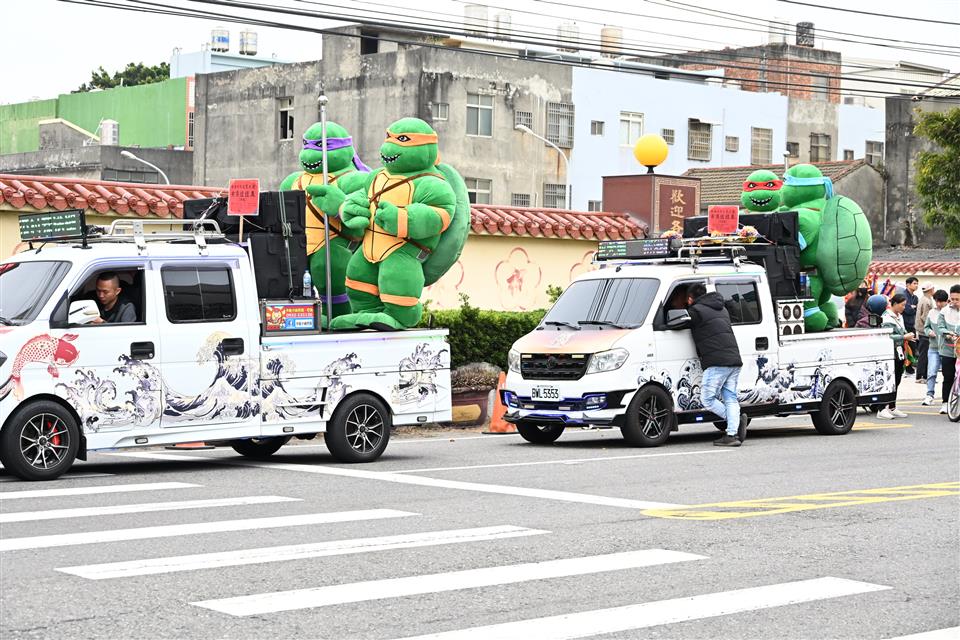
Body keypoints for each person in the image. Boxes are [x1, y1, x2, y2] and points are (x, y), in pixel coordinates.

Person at [686, 282, 747, 446]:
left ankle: (735, 424)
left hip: (716, 362)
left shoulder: (695, 311)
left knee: (707, 399)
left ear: (690, 299)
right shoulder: (722, 308)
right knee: (730, 397)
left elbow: (678, 323)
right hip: (734, 359)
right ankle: (732, 433)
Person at [877, 293, 914, 419]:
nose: (904, 307)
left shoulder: (899, 316)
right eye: (902, 305)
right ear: (894, 304)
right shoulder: (887, 318)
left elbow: (902, 331)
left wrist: (907, 336)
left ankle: (892, 406)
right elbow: (887, 336)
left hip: (899, 351)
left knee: (897, 379)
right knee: (888, 380)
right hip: (889, 352)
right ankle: (881, 409)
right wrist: (903, 337)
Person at [934, 285, 960, 415]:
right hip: (948, 350)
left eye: (957, 299)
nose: (954, 301)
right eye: (953, 298)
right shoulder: (944, 311)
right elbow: (940, 327)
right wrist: (948, 334)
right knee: (948, 376)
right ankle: (945, 403)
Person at [922, 289, 948, 405]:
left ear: (946, 301)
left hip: (948, 349)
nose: (938, 304)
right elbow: (926, 327)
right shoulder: (932, 312)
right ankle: (929, 395)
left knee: (948, 375)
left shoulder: (951, 312)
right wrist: (929, 332)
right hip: (933, 347)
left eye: (940, 302)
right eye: (936, 301)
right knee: (931, 372)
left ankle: (947, 398)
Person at [915, 283, 935, 382]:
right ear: (930, 289)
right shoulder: (927, 301)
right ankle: (921, 376)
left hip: (921, 330)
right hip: (924, 331)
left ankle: (924, 376)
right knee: (924, 355)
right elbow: (925, 317)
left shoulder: (923, 299)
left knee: (924, 354)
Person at [902, 277, 920, 375]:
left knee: (913, 346)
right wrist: (911, 308)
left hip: (912, 324)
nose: (916, 285)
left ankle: (910, 366)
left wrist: (911, 308)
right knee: (906, 346)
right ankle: (907, 367)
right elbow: (908, 310)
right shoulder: (903, 296)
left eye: (917, 283)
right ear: (908, 285)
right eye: (914, 283)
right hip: (904, 324)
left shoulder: (915, 298)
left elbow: (914, 310)